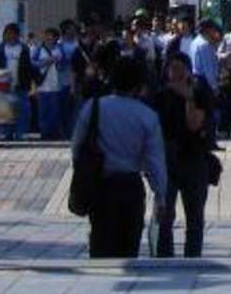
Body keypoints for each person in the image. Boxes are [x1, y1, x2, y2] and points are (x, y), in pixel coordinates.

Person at [72, 54, 167, 259]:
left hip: (100, 186)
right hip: (130, 186)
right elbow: (155, 161)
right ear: (139, 84)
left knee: (100, 244)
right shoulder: (147, 116)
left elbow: (77, 146)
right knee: (128, 248)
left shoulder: (93, 107)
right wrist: (160, 194)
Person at [153, 50, 213, 257]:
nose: (176, 73)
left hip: (194, 159)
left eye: (181, 69)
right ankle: (164, 258)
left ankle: (193, 258)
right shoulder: (160, 94)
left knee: (195, 217)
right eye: (172, 69)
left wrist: (189, 97)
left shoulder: (200, 90)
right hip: (166, 161)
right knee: (164, 216)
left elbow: (194, 125)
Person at [0, 23, 35, 139]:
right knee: (5, 110)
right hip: (4, 86)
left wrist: (30, 84)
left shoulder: (24, 49)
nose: (10, 36)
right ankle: (4, 133)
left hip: (21, 84)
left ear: (17, 35)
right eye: (7, 33)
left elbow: (29, 68)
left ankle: (21, 133)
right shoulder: (0, 49)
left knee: (22, 110)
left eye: (12, 33)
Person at [33, 27, 62, 138]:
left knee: (54, 111)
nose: (48, 38)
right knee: (43, 111)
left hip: (55, 85)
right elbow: (33, 64)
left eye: (51, 36)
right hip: (42, 85)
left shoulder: (59, 49)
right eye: (46, 35)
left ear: (56, 38)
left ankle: (53, 132)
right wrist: (44, 62)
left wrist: (57, 61)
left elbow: (63, 64)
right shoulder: (38, 50)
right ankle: (44, 132)